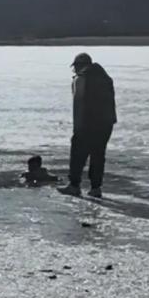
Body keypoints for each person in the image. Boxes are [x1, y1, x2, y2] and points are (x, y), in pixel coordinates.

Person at [58, 52, 117, 199]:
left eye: (75, 67)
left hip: (88, 122)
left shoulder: (82, 78)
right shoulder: (106, 78)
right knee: (98, 154)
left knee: (78, 154)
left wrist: (77, 127)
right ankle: (96, 188)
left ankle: (74, 185)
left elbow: (79, 103)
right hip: (106, 124)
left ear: (79, 66)